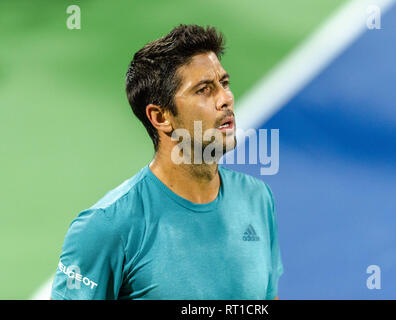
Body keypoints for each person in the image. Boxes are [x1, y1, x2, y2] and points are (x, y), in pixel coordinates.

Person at [51, 24, 283, 300]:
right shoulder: (106, 227)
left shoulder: (257, 198)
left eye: (224, 83)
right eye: (204, 90)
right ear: (161, 117)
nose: (226, 99)